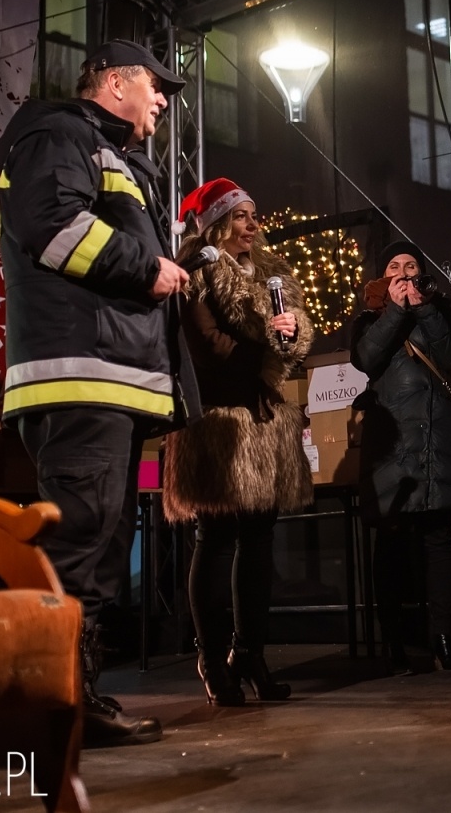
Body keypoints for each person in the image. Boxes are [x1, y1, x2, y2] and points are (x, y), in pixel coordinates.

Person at [0, 39, 198, 745]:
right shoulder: (59, 133)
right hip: (83, 375)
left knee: (103, 544)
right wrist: (149, 268)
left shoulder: (108, 152)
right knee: (80, 541)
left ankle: (75, 700)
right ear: (114, 83)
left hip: (110, 379)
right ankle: (52, 706)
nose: (163, 100)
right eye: (155, 85)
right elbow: (53, 228)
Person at [162, 178, 314, 706]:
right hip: (219, 420)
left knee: (259, 540)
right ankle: (211, 658)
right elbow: (208, 346)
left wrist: (290, 332)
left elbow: (295, 331)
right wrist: (268, 350)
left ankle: (250, 654)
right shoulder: (198, 270)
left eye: (254, 214)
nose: (253, 224)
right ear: (218, 223)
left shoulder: (273, 271)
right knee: (216, 536)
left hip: (265, 419)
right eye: (242, 215)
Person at [351, 242, 451, 673]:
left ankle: (441, 637)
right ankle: (394, 641)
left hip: (436, 438)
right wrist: (396, 311)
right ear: (382, 278)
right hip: (393, 444)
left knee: (438, 539)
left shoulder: (437, 311)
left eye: (411, 266)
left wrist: (423, 308)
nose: (403, 272)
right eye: (394, 267)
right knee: (392, 542)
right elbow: (366, 359)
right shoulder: (369, 318)